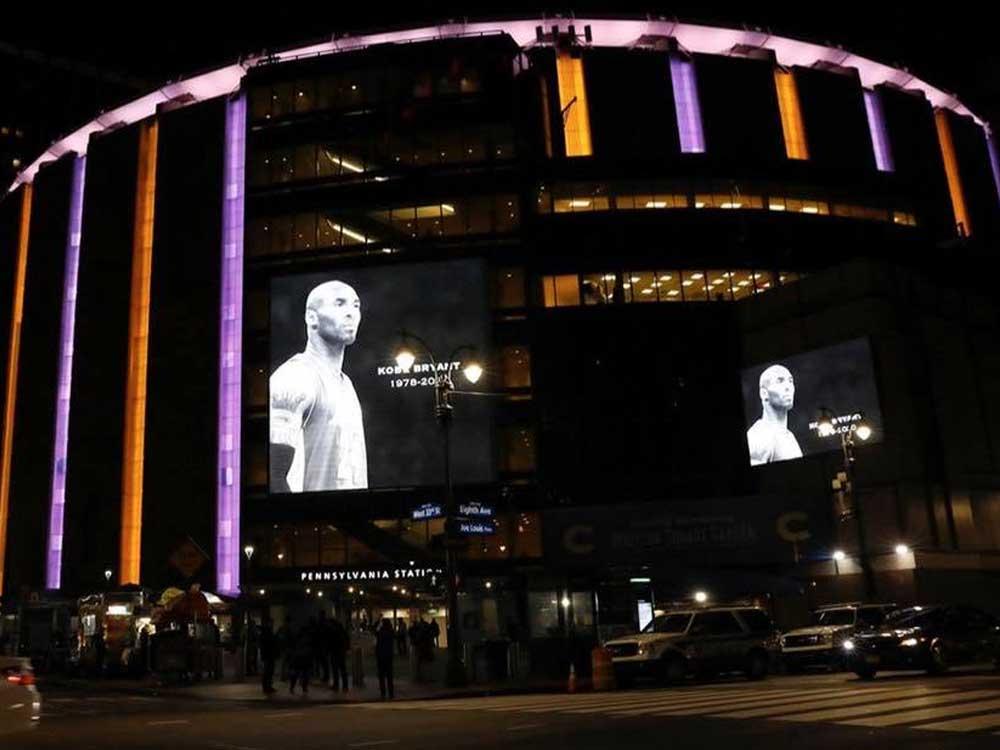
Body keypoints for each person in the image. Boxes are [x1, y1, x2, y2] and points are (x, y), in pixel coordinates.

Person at [270, 280, 368, 493]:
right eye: (339, 303)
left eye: (355, 305)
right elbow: (275, 475)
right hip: (312, 522)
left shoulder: (346, 383)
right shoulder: (295, 375)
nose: (351, 312)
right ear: (311, 317)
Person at [746, 364, 803, 465]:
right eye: (780, 381)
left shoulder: (789, 436)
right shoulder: (759, 436)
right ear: (764, 393)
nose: (788, 387)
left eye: (790, 381)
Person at [375, 619, 395, 700]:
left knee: (382, 676)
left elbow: (374, 630)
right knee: (389, 675)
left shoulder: (381, 632)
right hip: (389, 656)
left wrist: (378, 622)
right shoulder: (391, 632)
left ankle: (383, 692)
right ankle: (391, 693)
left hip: (381, 656)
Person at [329, 616, 350, 691]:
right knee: (343, 669)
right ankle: (345, 686)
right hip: (341, 652)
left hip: (335, 652)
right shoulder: (342, 631)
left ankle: (336, 685)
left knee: (336, 670)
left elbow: (331, 643)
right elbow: (347, 640)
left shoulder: (333, 632)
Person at [258, 619, 277, 695]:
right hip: (268, 654)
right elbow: (267, 643)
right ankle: (267, 687)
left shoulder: (266, 632)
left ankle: (268, 686)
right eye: (271, 623)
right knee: (268, 671)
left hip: (268, 654)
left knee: (269, 671)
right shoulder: (267, 632)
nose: (272, 624)